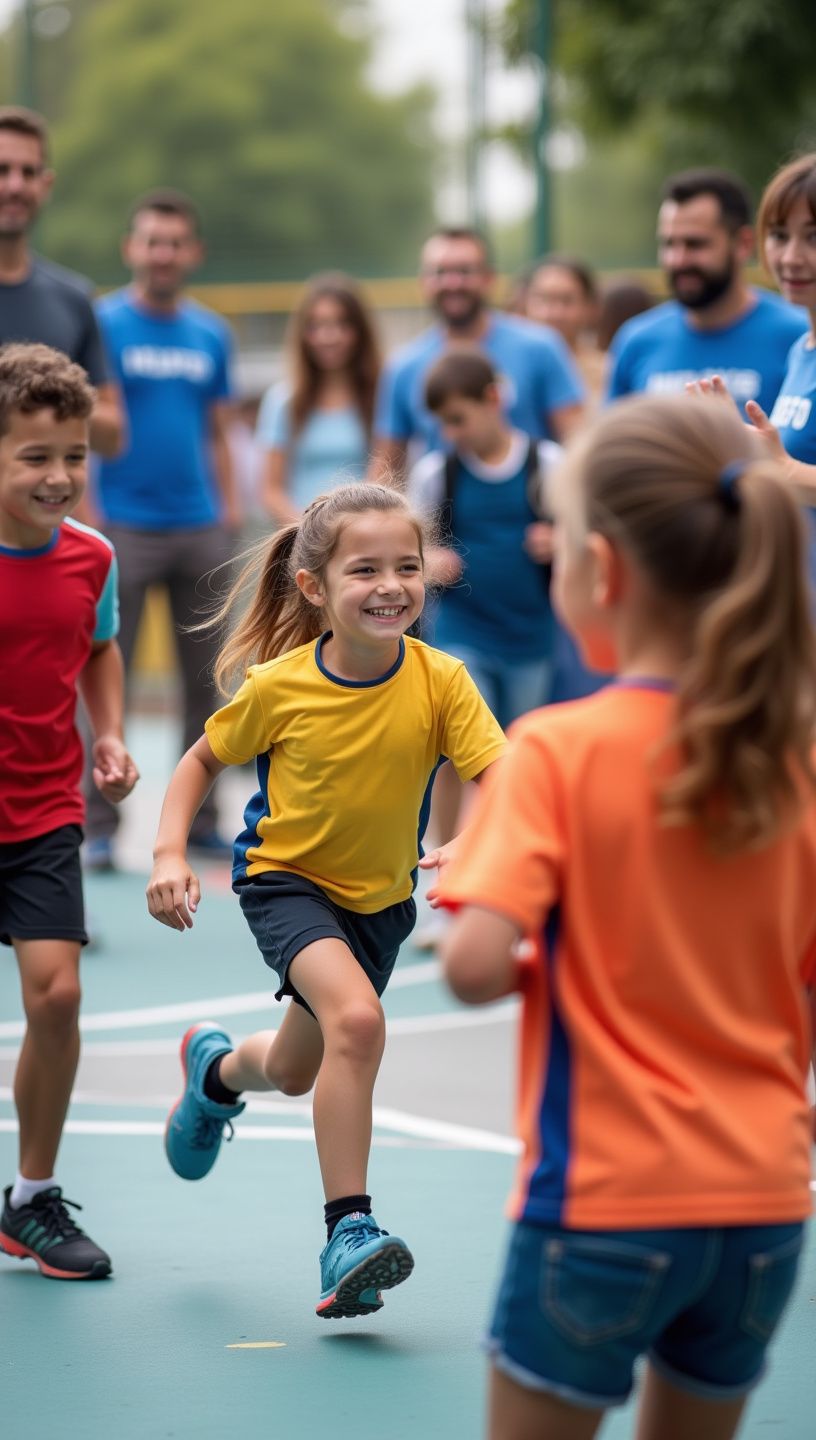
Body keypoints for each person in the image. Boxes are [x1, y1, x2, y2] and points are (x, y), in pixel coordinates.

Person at [435, 393, 816, 1440]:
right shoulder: (797, 755)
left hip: (605, 1199)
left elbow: (472, 966)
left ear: (601, 571)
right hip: (767, 1203)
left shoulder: (556, 750)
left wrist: (505, 886)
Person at [145, 483, 505, 1319]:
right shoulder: (280, 685)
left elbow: (502, 773)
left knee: (299, 1069)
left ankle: (217, 1072)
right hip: (286, 884)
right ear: (315, 588)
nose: (391, 585)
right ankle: (349, 1230)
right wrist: (168, 850)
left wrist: (478, 839)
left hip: (381, 902)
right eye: (366, 569)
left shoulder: (441, 680)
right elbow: (200, 760)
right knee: (359, 1023)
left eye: (408, 567)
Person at [0, 344, 138, 1280]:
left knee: (57, 994)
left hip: (44, 805)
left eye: (74, 457)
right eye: (34, 457)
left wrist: (111, 736)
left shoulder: (93, 556)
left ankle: (30, 1199)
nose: (59, 477)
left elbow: (100, 648)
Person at [84, 188, 238, 870]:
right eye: (151, 240)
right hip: (121, 525)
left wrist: (229, 511)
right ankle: (95, 824)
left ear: (193, 252)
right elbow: (80, 424)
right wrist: (87, 516)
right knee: (98, 669)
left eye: (175, 242)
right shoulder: (101, 323)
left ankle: (201, 817)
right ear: (131, 248)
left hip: (199, 525)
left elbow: (220, 431)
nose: (163, 253)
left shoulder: (212, 334)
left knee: (205, 679)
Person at [410, 347, 559, 867]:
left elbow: (588, 536)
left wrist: (560, 540)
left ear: (493, 399)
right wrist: (429, 562)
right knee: (457, 747)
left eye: (458, 418)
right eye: (442, 423)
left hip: (530, 634)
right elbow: (409, 549)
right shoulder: (438, 473)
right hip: (462, 630)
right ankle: (447, 869)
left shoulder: (547, 463)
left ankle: (511, 869)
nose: (451, 432)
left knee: (518, 759)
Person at [370, 226, 585, 482]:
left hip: (534, 511)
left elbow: (578, 445)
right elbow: (384, 473)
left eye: (464, 271)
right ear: (423, 282)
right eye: (440, 272)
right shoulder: (403, 367)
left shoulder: (540, 347)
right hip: (444, 517)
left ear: (489, 278)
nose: (452, 283)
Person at [607, 169, 807, 415]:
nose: (678, 260)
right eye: (669, 243)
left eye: (695, 244)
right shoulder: (636, 340)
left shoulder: (798, 336)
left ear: (743, 243)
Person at [0, 106, 123, 466]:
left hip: (45, 518)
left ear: (46, 184)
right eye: (2, 170)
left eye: (29, 172)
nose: (15, 185)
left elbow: (113, 434)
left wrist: (39, 397)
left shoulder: (73, 298)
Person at [256, 273, 380, 522]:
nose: (328, 336)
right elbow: (271, 490)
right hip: (302, 543)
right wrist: (308, 534)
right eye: (316, 326)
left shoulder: (379, 399)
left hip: (363, 543)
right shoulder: (283, 401)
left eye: (341, 325)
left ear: (360, 332)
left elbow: (384, 479)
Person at [522, 255, 605, 405]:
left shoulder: (607, 373)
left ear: (590, 307)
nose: (553, 313)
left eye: (566, 301)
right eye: (543, 299)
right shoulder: (507, 368)